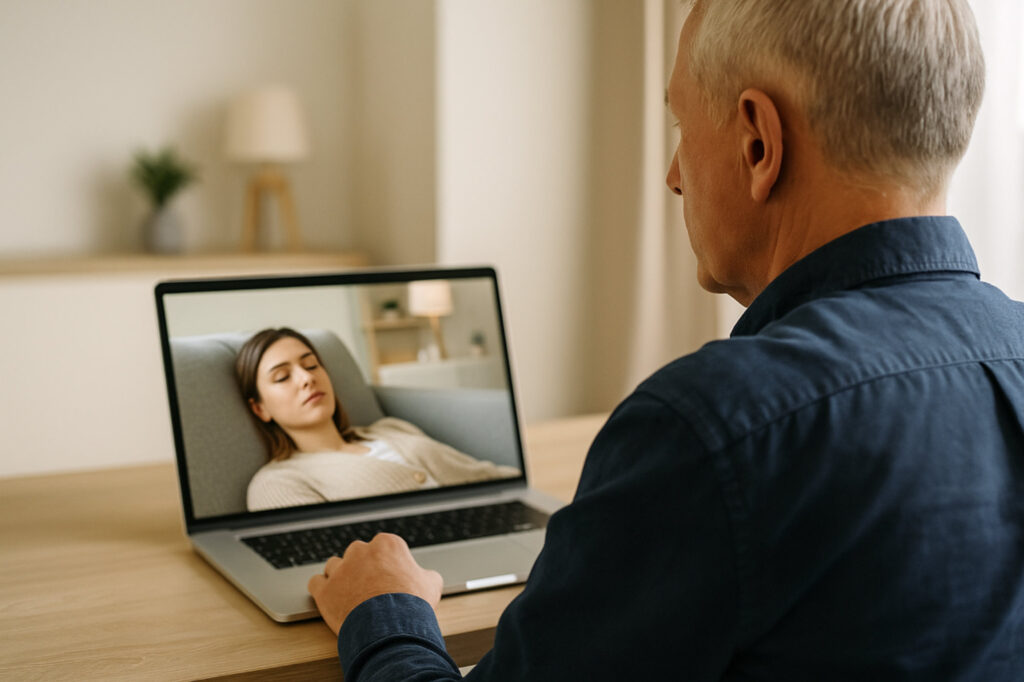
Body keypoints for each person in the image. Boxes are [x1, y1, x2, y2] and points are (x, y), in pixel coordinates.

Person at [306, 1, 1024, 679]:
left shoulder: (713, 428)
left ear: (758, 142)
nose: (676, 176)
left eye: (682, 128)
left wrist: (385, 614)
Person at [235, 327, 519, 511]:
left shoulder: (390, 429)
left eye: (311, 365)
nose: (307, 377)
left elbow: (484, 475)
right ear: (260, 409)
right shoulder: (277, 483)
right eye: (282, 377)